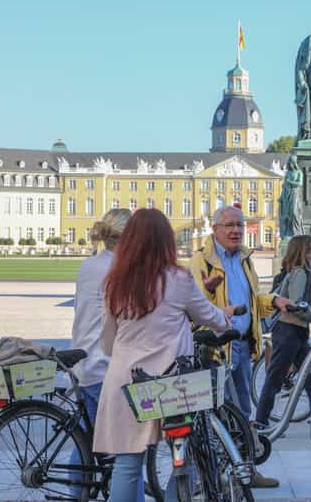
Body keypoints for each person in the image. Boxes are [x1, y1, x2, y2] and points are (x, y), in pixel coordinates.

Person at [92, 208, 235, 500]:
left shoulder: (114, 282)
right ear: (165, 241)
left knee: (127, 463)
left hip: (126, 380)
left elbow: (107, 340)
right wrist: (226, 321)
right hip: (171, 382)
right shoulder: (178, 278)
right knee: (185, 460)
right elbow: (207, 314)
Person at [189, 205, 290, 488]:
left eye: (239, 225)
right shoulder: (201, 261)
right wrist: (209, 289)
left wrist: (274, 301)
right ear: (215, 229)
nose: (235, 230)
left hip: (242, 346)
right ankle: (205, 478)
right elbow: (193, 305)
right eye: (229, 225)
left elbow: (252, 298)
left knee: (243, 413)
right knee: (210, 417)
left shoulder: (244, 259)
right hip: (215, 349)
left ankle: (245, 472)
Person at [69, 208, 132, 496]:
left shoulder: (89, 264)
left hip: (84, 363)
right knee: (128, 452)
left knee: (84, 442)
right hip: (104, 367)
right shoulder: (119, 270)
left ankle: (76, 494)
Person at [255, 234, 311, 428]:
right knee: (276, 377)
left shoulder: (308, 272)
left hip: (298, 331)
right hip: (288, 331)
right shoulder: (300, 273)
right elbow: (296, 305)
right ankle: (260, 421)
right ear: (303, 251)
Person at [279, 154, 304, 238]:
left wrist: (290, 182)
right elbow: (284, 185)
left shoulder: (299, 172)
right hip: (287, 194)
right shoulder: (288, 173)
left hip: (295, 193)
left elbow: (299, 183)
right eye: (289, 162)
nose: (290, 164)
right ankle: (290, 232)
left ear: (295, 163)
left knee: (294, 212)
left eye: (292, 162)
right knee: (288, 213)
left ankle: (297, 231)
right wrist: (281, 197)